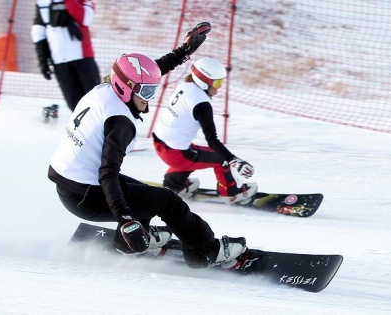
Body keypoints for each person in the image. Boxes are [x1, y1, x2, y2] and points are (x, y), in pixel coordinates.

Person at [48, 22, 251, 269]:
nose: (151, 98)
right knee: (167, 201)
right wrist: (125, 219)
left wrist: (182, 53)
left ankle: (129, 243)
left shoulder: (105, 88)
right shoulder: (120, 122)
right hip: (87, 195)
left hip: (73, 186)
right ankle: (205, 250)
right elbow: (108, 174)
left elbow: (149, 72)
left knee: (144, 193)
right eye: (147, 92)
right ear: (126, 89)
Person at [152, 57, 258, 205]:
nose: (219, 87)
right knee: (221, 160)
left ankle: (174, 184)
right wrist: (234, 160)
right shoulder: (201, 103)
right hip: (176, 153)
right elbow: (212, 140)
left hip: (161, 143)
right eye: (217, 83)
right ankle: (232, 194)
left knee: (197, 152)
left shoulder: (185, 85)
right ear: (204, 82)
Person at [31, 0, 101, 119]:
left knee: (97, 99)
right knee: (75, 104)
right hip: (60, 61)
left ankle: (109, 130)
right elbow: (38, 31)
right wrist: (43, 60)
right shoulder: (43, 2)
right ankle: (86, 131)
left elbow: (85, 18)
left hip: (83, 57)